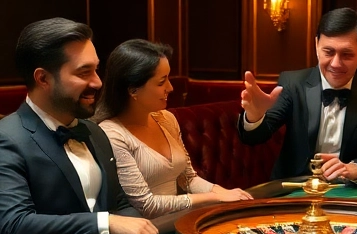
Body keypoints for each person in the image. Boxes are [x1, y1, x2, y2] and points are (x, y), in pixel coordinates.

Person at [0, 19, 157, 234]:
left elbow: (119, 202)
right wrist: (105, 223)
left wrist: (137, 229)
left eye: (96, 70)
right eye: (83, 72)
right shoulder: (0, 139)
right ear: (43, 78)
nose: (98, 82)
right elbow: (15, 225)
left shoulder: (94, 131)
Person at [96, 40, 253, 218]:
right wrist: (214, 197)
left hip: (176, 221)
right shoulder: (112, 133)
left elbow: (188, 178)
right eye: (162, 82)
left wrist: (225, 193)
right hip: (148, 232)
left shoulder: (166, 119)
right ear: (133, 91)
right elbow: (146, 205)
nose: (170, 88)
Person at [238, 8, 357, 185]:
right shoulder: (292, 82)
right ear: (316, 45)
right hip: (295, 187)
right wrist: (255, 116)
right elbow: (254, 138)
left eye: (347, 55)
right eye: (328, 52)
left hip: (348, 191)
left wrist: (355, 168)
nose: (336, 64)